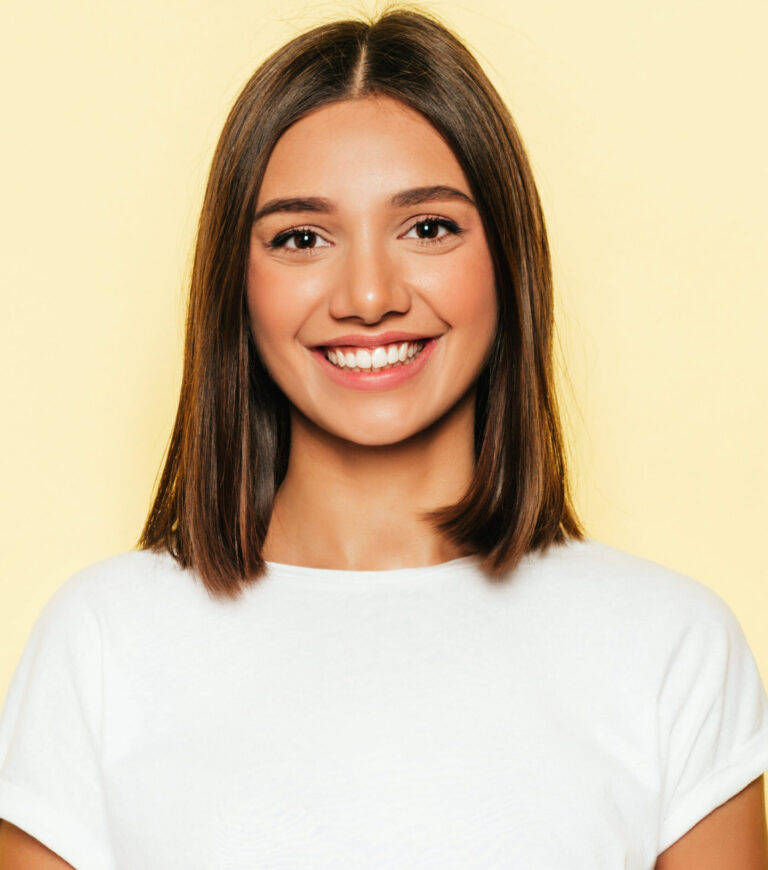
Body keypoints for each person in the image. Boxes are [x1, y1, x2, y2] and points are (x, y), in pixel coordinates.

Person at [1, 6, 767, 869]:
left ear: (507, 258)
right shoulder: (103, 643)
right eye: (302, 237)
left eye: (429, 227)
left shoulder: (671, 648)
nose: (368, 296)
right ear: (236, 287)